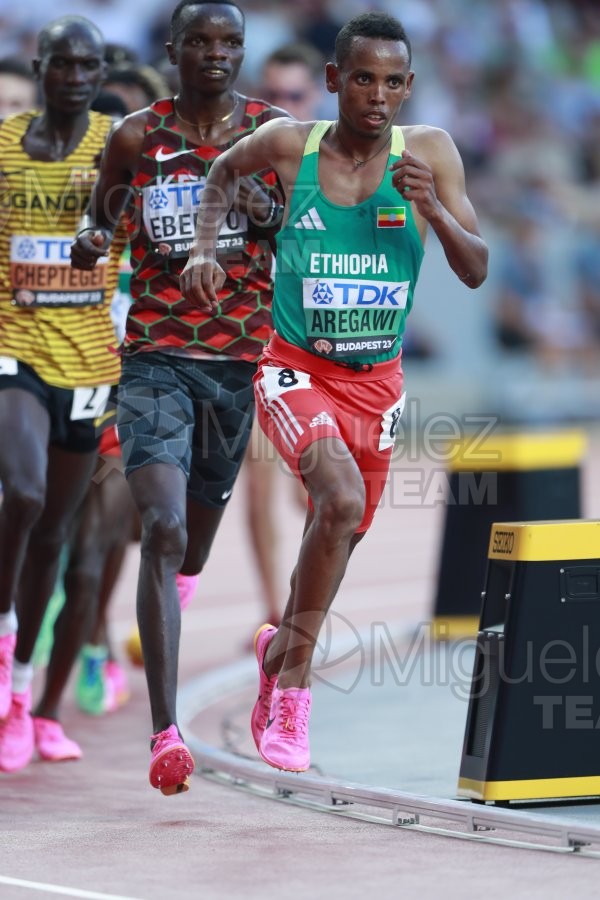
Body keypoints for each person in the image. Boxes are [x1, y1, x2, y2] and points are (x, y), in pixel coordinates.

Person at [180, 11, 488, 773]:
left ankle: (279, 645)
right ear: (333, 81)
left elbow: (477, 268)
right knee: (339, 501)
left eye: (391, 82)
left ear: (409, 87)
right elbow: (221, 174)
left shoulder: (431, 154)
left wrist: (436, 210)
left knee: (338, 533)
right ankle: (293, 691)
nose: (376, 95)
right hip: (292, 367)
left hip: (376, 386)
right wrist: (206, 249)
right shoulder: (292, 145)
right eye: (361, 78)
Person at [71, 0, 287, 796]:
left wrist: (257, 205)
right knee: (159, 528)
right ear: (172, 49)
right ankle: (166, 733)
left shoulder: (274, 134)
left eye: (230, 42)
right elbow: (101, 229)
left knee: (190, 548)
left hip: (237, 367)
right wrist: (99, 237)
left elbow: (296, 229)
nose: (216, 54)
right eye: (200, 40)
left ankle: (221, 617)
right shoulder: (137, 137)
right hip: (155, 359)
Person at [0, 16, 125, 772]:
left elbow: (153, 232)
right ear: (41, 66)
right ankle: (7, 627)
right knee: (20, 489)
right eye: (63, 63)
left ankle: (23, 697)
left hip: (89, 364)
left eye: (90, 64)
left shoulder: (119, 146)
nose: (76, 75)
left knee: (54, 529)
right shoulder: (6, 143)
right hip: (13, 344)